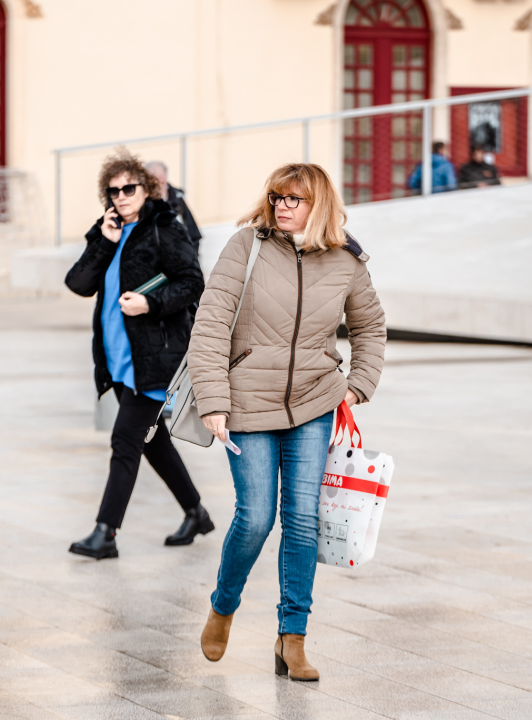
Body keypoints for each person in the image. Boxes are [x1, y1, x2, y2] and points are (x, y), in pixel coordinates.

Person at [187, 163, 386, 681]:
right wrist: (213, 399)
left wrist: (358, 384)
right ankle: (223, 606)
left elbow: (371, 326)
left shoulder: (347, 260)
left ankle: (292, 638)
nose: (281, 206)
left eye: (293, 199)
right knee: (254, 518)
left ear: (316, 204)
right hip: (248, 403)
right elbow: (209, 326)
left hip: (314, 405)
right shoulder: (245, 247)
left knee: (300, 522)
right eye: (276, 196)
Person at [64, 148, 211, 559]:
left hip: (155, 358)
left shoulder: (165, 227)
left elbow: (191, 283)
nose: (121, 196)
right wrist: (104, 243)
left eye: (129, 188)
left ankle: (105, 533)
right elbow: (78, 283)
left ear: (145, 189)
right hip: (117, 360)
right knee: (153, 441)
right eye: (113, 191)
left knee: (125, 438)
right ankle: (196, 512)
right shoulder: (108, 230)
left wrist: (150, 304)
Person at [145, 160, 202, 250]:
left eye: (150, 179)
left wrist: (191, 258)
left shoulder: (178, 199)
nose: (147, 184)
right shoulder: (144, 203)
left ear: (162, 179)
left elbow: (194, 234)